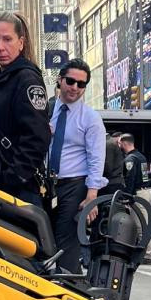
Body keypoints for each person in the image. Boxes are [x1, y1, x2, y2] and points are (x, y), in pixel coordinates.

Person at [0, 12, 52, 205]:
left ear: (21, 42)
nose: (0, 47)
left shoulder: (27, 79)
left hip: (17, 192)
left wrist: (12, 176)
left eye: (7, 39)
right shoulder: (3, 79)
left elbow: (37, 137)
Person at [47, 59, 106, 273]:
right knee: (38, 237)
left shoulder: (91, 118)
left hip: (74, 185)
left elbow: (96, 158)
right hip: (44, 184)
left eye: (81, 84)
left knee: (66, 242)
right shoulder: (46, 110)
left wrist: (92, 195)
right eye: (71, 81)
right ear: (60, 80)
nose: (75, 88)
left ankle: (70, 291)